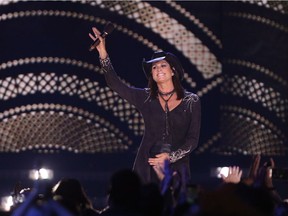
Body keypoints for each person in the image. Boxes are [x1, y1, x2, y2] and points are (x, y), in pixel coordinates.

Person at [88, 26, 201, 185]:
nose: (158, 69)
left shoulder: (192, 101)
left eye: (163, 65)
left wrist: (171, 156)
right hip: (146, 167)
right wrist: (103, 53)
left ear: (173, 71)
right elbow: (116, 85)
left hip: (177, 167)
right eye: (154, 67)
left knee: (175, 206)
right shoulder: (146, 97)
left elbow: (193, 139)